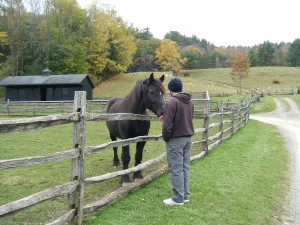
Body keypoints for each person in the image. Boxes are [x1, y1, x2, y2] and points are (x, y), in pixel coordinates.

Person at [159, 77, 194, 206]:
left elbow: (167, 125)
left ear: (170, 89)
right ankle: (185, 196)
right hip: (188, 138)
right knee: (185, 167)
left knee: (176, 169)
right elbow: (186, 118)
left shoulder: (171, 102)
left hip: (176, 140)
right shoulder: (189, 102)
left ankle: (178, 198)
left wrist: (166, 138)